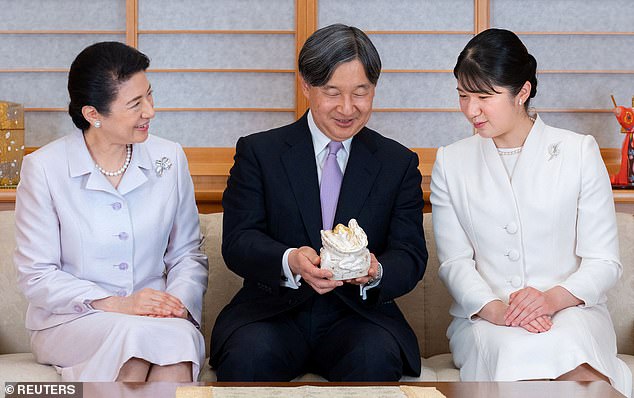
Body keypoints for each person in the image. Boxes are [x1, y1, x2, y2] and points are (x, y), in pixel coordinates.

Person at [211, 24, 428, 381]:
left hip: (359, 317)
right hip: (272, 313)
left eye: (361, 93)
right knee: (248, 356)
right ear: (306, 86)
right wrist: (290, 261)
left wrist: (376, 271)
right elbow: (238, 242)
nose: (347, 108)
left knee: (375, 357)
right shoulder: (259, 152)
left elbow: (410, 255)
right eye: (332, 92)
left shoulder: (397, 163)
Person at [430, 28, 632, 396]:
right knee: (511, 348)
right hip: (488, 318)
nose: (470, 110)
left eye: (484, 96)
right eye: (462, 95)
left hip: (573, 311)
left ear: (522, 92)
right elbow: (454, 263)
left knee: (574, 354)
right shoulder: (451, 162)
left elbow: (604, 262)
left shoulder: (578, 152)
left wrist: (551, 299)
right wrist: (497, 309)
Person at [14, 42, 208, 382]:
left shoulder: (170, 158)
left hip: (156, 319)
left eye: (149, 95)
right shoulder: (44, 168)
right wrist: (119, 304)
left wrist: (174, 305)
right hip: (72, 320)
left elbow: (187, 254)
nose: (150, 111)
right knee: (137, 344)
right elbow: (37, 275)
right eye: (135, 104)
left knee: (175, 342)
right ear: (93, 114)